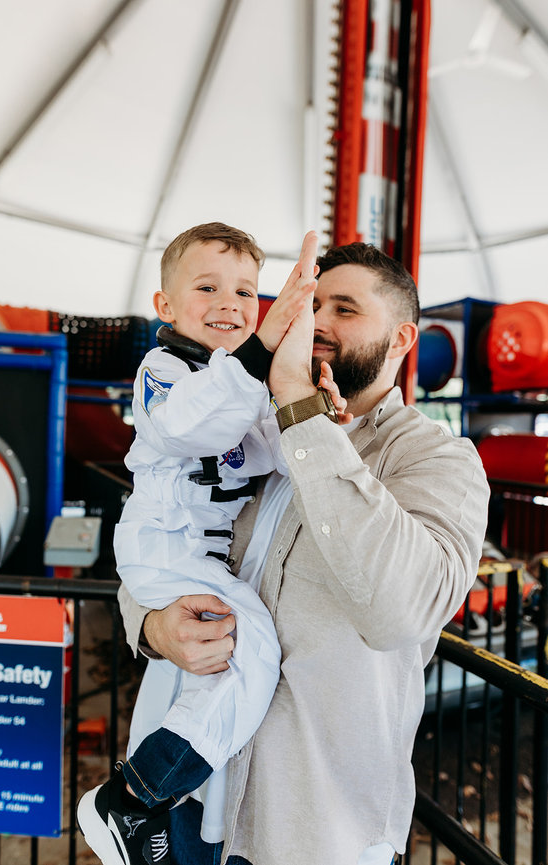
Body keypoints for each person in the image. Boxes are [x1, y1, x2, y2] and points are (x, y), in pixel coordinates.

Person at [118, 239, 490, 865]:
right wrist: (153, 625)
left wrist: (302, 412)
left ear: (401, 338)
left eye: (344, 309)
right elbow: (162, 538)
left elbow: (400, 610)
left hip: (312, 826)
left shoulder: (435, 459)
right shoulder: (248, 427)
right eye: (312, 304)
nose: (316, 322)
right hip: (194, 803)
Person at [78, 223, 339, 865]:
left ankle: (152, 806)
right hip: (166, 542)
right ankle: (131, 801)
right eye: (208, 286)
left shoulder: (236, 382)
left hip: (198, 551)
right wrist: (257, 355)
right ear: (165, 306)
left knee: (213, 670)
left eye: (247, 291)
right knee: (250, 645)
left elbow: (270, 451)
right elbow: (194, 422)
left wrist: (316, 410)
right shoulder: (164, 372)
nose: (231, 303)